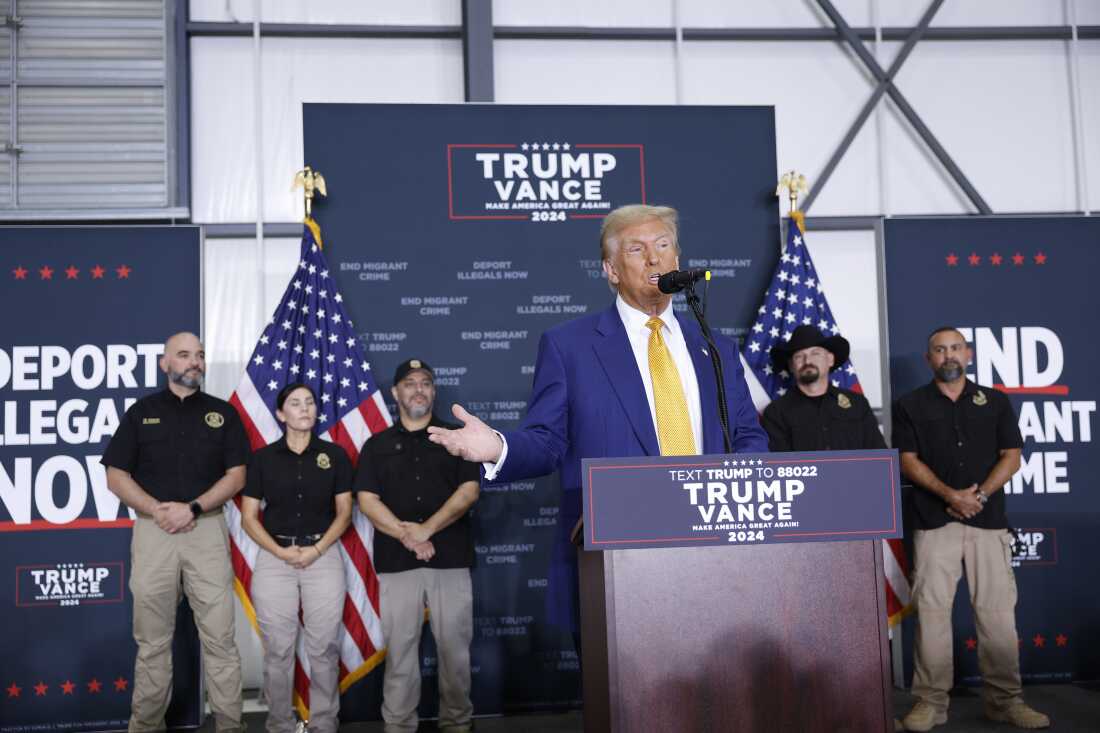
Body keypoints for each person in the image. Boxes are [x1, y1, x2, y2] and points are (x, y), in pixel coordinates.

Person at [427, 204, 769, 633]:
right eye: (636, 249)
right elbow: (548, 441)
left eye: (664, 246)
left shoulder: (716, 347)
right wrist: (499, 447)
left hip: (717, 557)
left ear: (677, 261)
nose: (654, 258)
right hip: (620, 563)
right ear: (610, 269)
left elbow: (747, 436)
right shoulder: (570, 347)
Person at [894, 327, 1049, 731]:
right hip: (933, 522)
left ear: (969, 355)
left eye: (955, 348)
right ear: (929, 359)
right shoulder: (909, 405)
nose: (948, 356)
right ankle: (930, 703)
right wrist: (950, 494)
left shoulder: (995, 401)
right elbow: (907, 460)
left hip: (988, 521)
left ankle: (1005, 702)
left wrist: (976, 496)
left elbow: (1012, 457)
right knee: (931, 615)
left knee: (997, 615)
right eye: (940, 350)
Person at [101, 331, 247, 732]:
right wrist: (157, 510)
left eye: (199, 355)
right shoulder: (140, 412)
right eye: (183, 355)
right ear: (165, 364)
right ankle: (145, 726)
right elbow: (116, 475)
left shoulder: (223, 414)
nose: (194, 362)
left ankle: (231, 726)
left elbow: (237, 476)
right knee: (152, 643)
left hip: (207, 531)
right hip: (153, 533)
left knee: (220, 639)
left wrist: (193, 508)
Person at [355, 358, 480, 733]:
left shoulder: (455, 438)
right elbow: (366, 500)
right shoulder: (377, 445)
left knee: (455, 654)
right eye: (409, 383)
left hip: (451, 559)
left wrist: (428, 529)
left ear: (434, 390)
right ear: (395, 392)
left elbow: (469, 491)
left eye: (426, 382)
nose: (418, 389)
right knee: (401, 655)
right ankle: (398, 726)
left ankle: (458, 724)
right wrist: (409, 534)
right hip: (397, 562)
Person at [240, 383, 353, 733]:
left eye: (309, 403)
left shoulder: (335, 456)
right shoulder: (261, 459)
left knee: (324, 648)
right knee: (278, 651)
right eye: (295, 403)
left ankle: (323, 724)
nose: (304, 409)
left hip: (324, 555)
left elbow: (345, 513)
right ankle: (279, 725)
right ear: (280, 413)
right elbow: (248, 517)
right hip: (276, 559)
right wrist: (281, 552)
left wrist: (317, 550)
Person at [761, 324, 884, 452]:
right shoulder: (776, 413)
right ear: (791, 366)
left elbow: (879, 457)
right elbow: (779, 467)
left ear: (830, 359)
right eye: (799, 356)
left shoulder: (858, 404)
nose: (807, 361)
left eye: (815, 353)